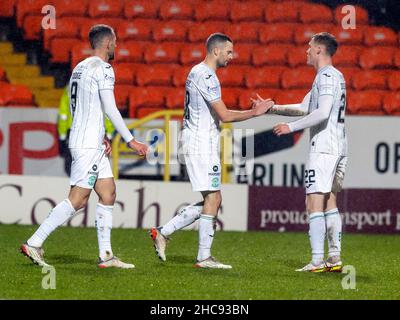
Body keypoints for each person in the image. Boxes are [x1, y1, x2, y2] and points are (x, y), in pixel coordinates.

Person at [21, 24, 148, 269]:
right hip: (88, 144)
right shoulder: (105, 69)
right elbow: (110, 108)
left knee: (108, 192)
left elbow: (77, 105)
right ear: (108, 43)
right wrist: (130, 140)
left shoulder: (80, 67)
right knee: (78, 200)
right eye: (116, 41)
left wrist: (101, 134)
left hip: (89, 140)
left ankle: (106, 255)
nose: (117, 46)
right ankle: (34, 242)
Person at [150, 33, 274, 269]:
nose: (232, 56)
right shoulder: (206, 75)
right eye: (229, 51)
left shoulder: (198, 72)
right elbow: (225, 115)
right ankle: (203, 257)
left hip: (197, 140)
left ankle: (164, 232)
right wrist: (254, 113)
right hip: (200, 143)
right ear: (216, 51)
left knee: (211, 199)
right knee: (213, 198)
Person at [254, 32, 347, 273]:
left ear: (319, 50)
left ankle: (316, 261)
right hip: (337, 146)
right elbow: (306, 107)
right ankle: (334, 258)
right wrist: (271, 109)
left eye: (309, 47)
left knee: (313, 201)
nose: (306, 51)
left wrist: (290, 128)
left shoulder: (326, 76)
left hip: (324, 147)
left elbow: (323, 112)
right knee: (329, 200)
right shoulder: (331, 77)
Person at [57, 85, 115, 176]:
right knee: (94, 166)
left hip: (74, 131)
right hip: (94, 131)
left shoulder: (70, 86)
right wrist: (109, 133)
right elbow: (107, 112)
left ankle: (78, 187)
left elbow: (63, 114)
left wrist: (62, 135)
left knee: (73, 167)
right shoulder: (99, 87)